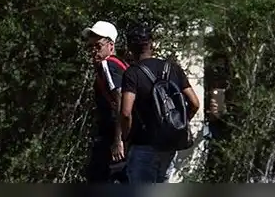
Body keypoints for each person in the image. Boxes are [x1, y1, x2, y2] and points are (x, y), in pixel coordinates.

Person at [120, 24, 200, 184]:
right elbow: (195, 103)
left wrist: (125, 138)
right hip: (169, 145)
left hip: (143, 144)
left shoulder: (132, 73)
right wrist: (177, 124)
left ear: (130, 48)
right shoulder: (173, 68)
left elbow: (126, 112)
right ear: (152, 44)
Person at [82, 20, 128, 183]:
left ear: (110, 46)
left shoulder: (107, 65)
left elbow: (120, 99)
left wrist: (118, 140)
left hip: (112, 137)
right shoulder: (122, 65)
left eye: (98, 46)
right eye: (90, 47)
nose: (93, 51)